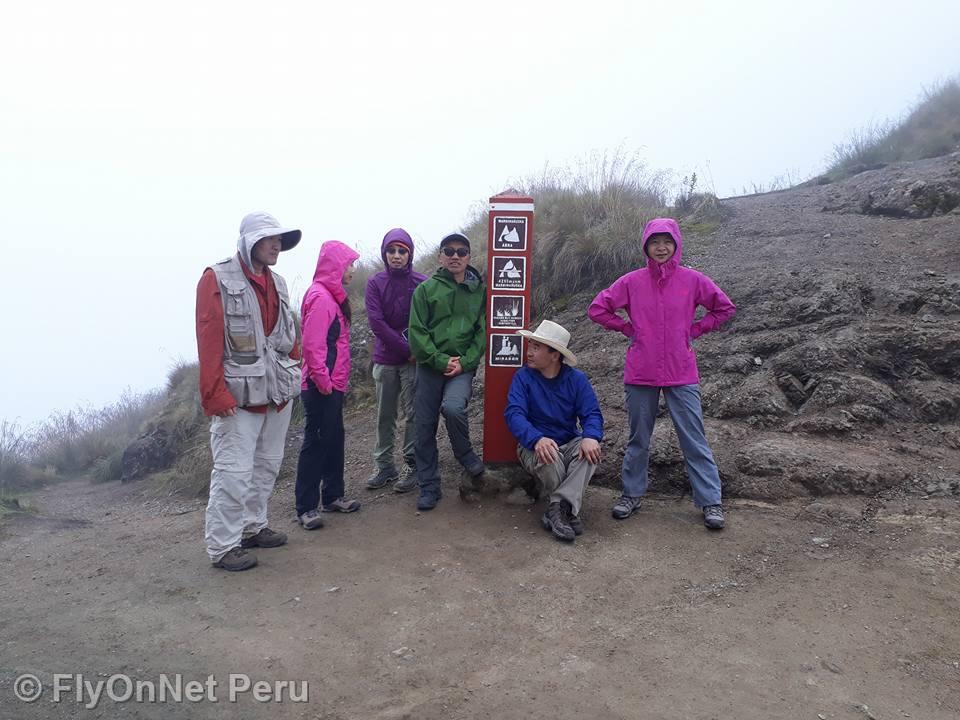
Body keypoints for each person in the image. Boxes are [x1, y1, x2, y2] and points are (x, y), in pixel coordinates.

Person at [588, 217, 735, 530]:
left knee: (693, 438)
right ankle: (631, 495)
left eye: (667, 241)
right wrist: (627, 328)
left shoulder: (693, 280)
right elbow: (597, 309)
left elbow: (724, 308)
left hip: (682, 370)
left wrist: (694, 330)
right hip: (641, 371)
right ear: (646, 246)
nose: (661, 247)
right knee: (638, 438)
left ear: (676, 244)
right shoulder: (631, 281)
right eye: (654, 242)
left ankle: (711, 501)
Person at [196, 211, 303, 572]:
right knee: (233, 471)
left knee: (267, 464)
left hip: (277, 392)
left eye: (280, 239)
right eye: (270, 239)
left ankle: (253, 527)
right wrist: (214, 394)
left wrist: (293, 369)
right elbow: (209, 338)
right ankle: (223, 546)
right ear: (249, 241)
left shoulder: (280, 283)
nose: (277, 245)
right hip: (236, 397)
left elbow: (289, 334)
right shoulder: (215, 278)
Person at [505, 320, 604, 542]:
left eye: (536, 348)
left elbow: (592, 414)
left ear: (554, 355)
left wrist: (590, 437)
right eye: (530, 346)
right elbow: (514, 414)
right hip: (534, 445)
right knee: (548, 455)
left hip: (568, 442)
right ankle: (568, 511)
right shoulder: (523, 377)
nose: (529, 352)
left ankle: (557, 510)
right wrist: (536, 438)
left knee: (590, 453)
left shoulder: (576, 380)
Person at [408, 232, 486, 511]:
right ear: (440, 256)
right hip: (430, 367)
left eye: (461, 252)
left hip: (463, 367)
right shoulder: (425, 290)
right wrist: (441, 360)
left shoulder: (479, 291)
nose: (455, 256)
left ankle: (464, 454)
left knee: (453, 408)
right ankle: (429, 487)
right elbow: (417, 333)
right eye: (449, 251)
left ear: (469, 257)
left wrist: (465, 362)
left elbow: (482, 331)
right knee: (423, 426)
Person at [294, 240, 362, 529]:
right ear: (336, 266)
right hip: (321, 385)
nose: (352, 270)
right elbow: (312, 345)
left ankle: (332, 496)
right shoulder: (321, 297)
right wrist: (323, 381)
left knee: (334, 439)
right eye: (349, 264)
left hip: (331, 383)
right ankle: (306, 507)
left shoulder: (330, 296)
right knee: (316, 442)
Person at [364, 228, 428, 493]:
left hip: (413, 360)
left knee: (413, 413)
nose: (396, 255)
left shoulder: (422, 282)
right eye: (391, 250)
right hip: (389, 359)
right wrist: (407, 349)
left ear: (410, 254)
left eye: (402, 251)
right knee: (385, 414)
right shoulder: (375, 283)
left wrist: (416, 351)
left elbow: (428, 320)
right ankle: (384, 466)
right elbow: (377, 323)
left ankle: (412, 465)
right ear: (385, 254)